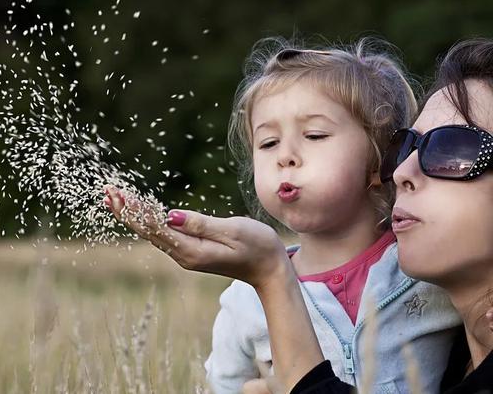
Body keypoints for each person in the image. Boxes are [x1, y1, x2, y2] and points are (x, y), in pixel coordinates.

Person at [106, 38, 493, 393]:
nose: (285, 156)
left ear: (376, 159)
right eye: (268, 142)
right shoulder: (243, 301)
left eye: (450, 149)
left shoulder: (424, 285)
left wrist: (272, 277)